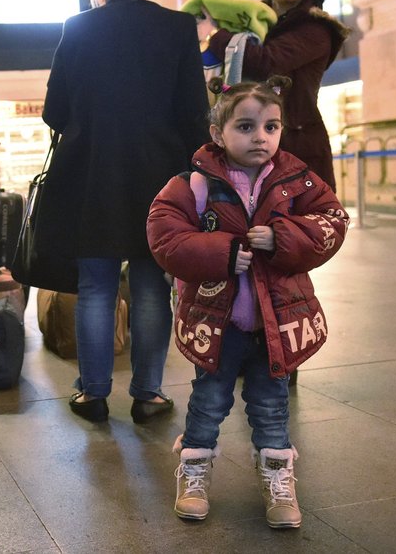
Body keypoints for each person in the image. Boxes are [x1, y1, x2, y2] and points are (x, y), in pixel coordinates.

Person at [147, 76, 349, 528]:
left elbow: (332, 221)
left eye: (272, 127)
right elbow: (164, 233)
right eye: (246, 126)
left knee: (271, 405)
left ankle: (279, 483)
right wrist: (222, 252)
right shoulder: (194, 184)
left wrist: (283, 237)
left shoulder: (297, 181)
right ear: (218, 133)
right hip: (217, 322)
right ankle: (194, 472)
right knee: (209, 400)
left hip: (277, 321)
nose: (261, 137)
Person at [40, 0, 209, 423]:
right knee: (152, 284)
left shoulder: (78, 28)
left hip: (92, 175)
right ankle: (148, 394)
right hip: (160, 176)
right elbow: (194, 110)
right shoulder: (178, 27)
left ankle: (92, 393)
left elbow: (55, 111)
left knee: (96, 286)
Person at [195, 0, 349, 191]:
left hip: (296, 147)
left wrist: (214, 35)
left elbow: (267, 63)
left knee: (295, 225)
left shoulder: (316, 28)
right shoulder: (253, 21)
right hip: (248, 143)